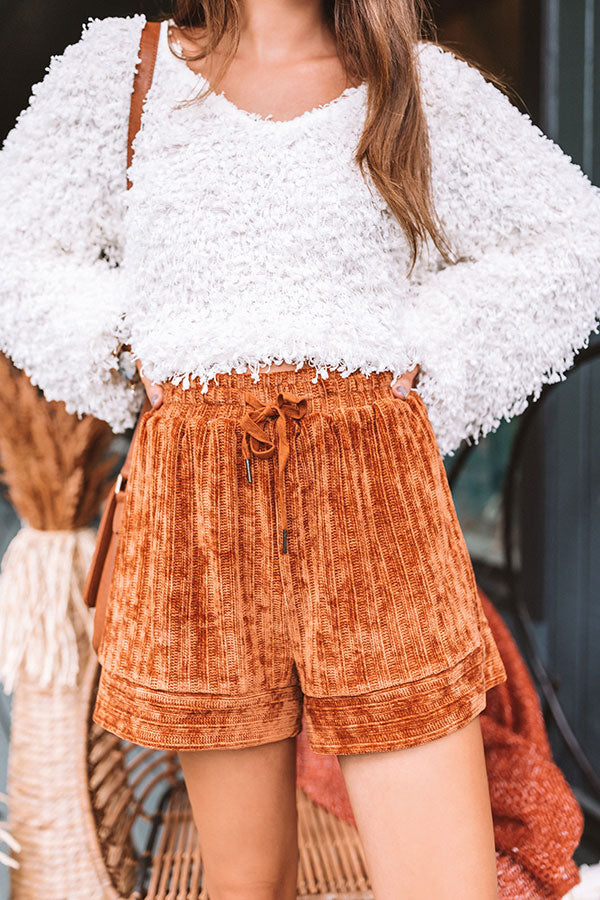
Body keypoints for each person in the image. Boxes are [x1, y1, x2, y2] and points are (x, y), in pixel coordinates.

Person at [1, 0, 599, 896]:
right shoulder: (121, 73)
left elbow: (574, 244)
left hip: (372, 503)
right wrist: (124, 339)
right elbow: (14, 246)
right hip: (200, 511)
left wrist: (431, 348)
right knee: (249, 888)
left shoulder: (415, 86)